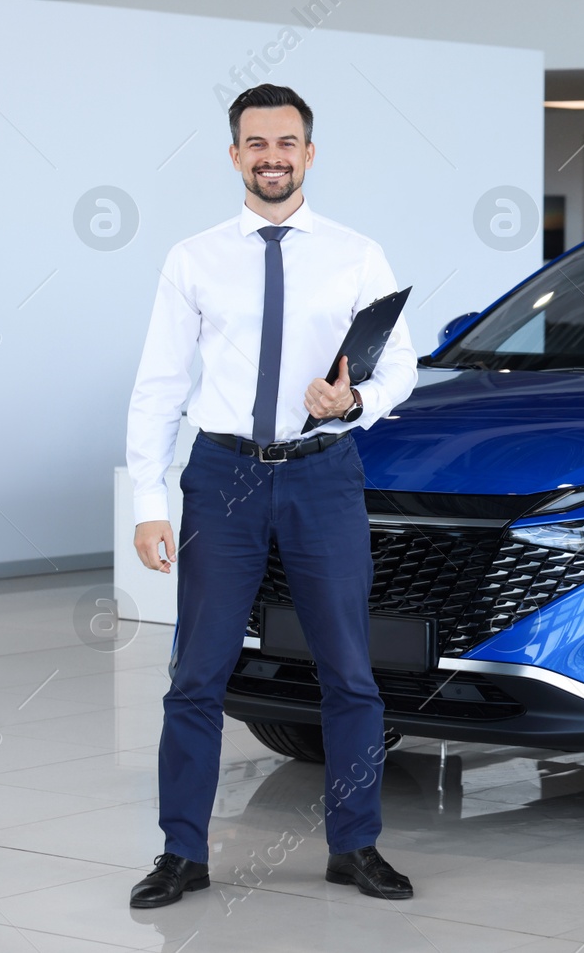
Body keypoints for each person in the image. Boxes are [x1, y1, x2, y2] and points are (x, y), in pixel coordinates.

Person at [124, 84, 417, 908]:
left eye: (286, 143)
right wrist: (149, 499)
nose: (272, 157)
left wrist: (354, 402)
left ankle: (354, 844)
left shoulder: (357, 255)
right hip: (224, 476)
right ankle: (182, 852)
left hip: (324, 473)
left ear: (309, 153)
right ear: (234, 156)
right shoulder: (193, 258)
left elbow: (401, 365)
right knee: (197, 674)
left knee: (350, 674)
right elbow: (157, 384)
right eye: (256, 144)